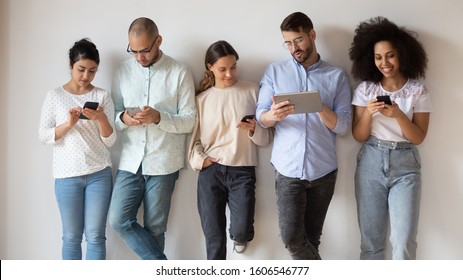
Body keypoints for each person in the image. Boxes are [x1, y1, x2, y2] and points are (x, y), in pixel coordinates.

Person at [256, 12, 352, 260]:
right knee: (291, 238)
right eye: (288, 43)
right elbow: (260, 116)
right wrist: (272, 115)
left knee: (311, 239)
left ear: (312, 35)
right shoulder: (275, 72)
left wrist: (319, 106)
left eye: (298, 40)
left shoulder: (337, 76)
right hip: (287, 170)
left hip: (323, 171)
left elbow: (342, 126)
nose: (294, 48)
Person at [108, 17, 196, 260]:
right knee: (118, 220)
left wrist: (159, 117)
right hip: (130, 161)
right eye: (134, 51)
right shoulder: (122, 72)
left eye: (145, 50)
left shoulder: (179, 72)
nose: (139, 57)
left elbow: (190, 120)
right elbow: (113, 115)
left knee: (155, 229)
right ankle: (163, 267)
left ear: (158, 41)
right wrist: (124, 118)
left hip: (164, 162)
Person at [349, 16, 431, 260]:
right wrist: (369, 114)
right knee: (371, 243)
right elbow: (358, 135)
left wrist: (398, 115)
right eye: (378, 57)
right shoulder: (365, 89)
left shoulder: (418, 91)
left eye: (390, 55)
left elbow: (419, 137)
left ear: (402, 54)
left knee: (404, 242)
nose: (384, 62)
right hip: (370, 161)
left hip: (406, 165)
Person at [188, 40, 272, 260]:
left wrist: (254, 129)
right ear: (210, 67)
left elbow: (266, 139)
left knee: (242, 230)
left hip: (242, 171)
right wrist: (202, 160)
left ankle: (240, 237)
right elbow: (195, 142)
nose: (229, 74)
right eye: (222, 69)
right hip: (211, 172)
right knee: (213, 238)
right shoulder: (201, 100)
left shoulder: (253, 91)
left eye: (233, 67)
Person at [39, 39, 116, 260]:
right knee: (71, 237)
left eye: (92, 71)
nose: (86, 76)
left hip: (99, 174)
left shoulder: (102, 96)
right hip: (66, 176)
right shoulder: (54, 96)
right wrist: (68, 125)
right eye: (81, 69)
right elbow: (43, 135)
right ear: (71, 65)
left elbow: (111, 141)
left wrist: (101, 118)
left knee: (95, 236)